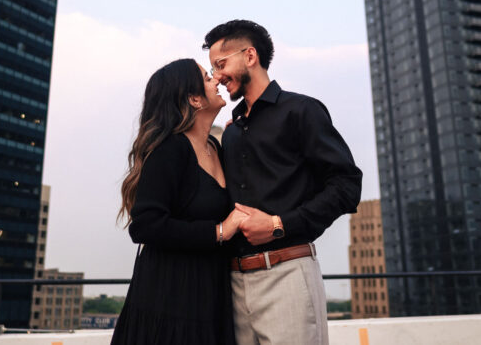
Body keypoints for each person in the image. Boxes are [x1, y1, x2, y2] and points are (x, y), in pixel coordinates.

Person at [204, 20, 362, 345]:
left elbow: (347, 186)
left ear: (250, 56)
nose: (217, 76)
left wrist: (278, 224)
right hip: (232, 283)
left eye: (221, 64)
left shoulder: (302, 110)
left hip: (287, 273)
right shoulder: (232, 130)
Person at [112, 58, 248, 345]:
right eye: (207, 77)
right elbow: (146, 225)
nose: (217, 80)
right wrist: (220, 231)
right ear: (194, 99)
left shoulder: (215, 147)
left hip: (211, 294)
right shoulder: (170, 149)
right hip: (171, 297)